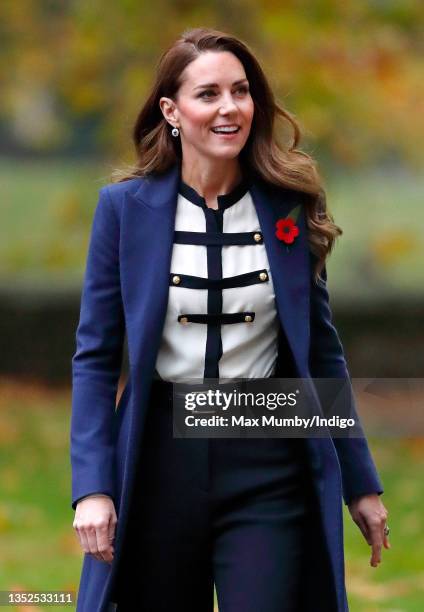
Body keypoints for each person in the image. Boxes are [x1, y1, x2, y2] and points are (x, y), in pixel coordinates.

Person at [71, 27, 390, 612]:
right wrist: (92, 488)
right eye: (208, 93)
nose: (229, 108)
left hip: (269, 458)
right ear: (172, 110)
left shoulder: (288, 205)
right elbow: (94, 358)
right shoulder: (123, 210)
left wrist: (362, 483)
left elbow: (321, 352)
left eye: (241, 91)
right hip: (158, 461)